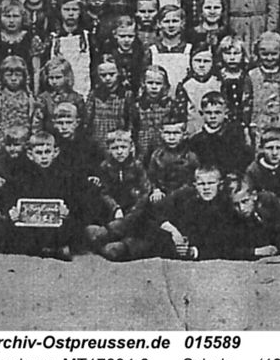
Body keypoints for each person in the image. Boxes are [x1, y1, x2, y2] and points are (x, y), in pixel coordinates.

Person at [0, 131, 76, 261]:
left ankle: (47, 248)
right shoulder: (22, 174)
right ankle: (45, 249)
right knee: (9, 227)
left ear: (55, 153)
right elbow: (10, 197)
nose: (43, 157)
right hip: (28, 227)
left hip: (53, 226)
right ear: (30, 155)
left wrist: (67, 211)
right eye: (39, 153)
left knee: (71, 227)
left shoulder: (63, 175)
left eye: (47, 152)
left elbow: (72, 199)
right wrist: (12, 212)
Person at [84, 130, 153, 259]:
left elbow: (145, 192)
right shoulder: (105, 167)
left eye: (123, 147)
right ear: (109, 149)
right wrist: (115, 208)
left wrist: (132, 212)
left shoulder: (137, 167)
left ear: (131, 148)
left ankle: (116, 242)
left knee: (135, 225)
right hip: (113, 212)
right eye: (115, 148)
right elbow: (104, 192)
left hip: (133, 213)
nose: (120, 152)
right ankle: (106, 240)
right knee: (92, 230)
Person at [248, 31, 280, 145]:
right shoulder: (252, 75)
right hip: (258, 125)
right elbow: (247, 103)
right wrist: (247, 128)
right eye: (265, 54)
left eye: (274, 54)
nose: (269, 58)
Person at [187, 90, 252, 174]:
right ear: (201, 113)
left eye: (217, 113)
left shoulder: (234, 136)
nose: (213, 117)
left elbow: (243, 162)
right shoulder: (197, 140)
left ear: (226, 113)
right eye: (208, 113)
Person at [47, 0, 94, 99]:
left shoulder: (88, 37)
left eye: (74, 10)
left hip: (83, 85)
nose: (71, 13)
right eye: (66, 10)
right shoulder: (53, 37)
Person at [85, 56, 135, 152]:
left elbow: (131, 120)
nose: (108, 78)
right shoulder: (94, 94)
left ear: (119, 73)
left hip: (118, 142)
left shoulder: (126, 94)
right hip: (98, 140)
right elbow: (87, 119)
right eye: (103, 75)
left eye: (112, 74)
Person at [146, 113, 199, 201]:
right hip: (162, 197)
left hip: (185, 197)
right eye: (167, 133)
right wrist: (156, 189)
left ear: (184, 135)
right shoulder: (157, 156)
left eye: (176, 133)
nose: (171, 137)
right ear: (161, 134)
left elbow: (195, 180)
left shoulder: (190, 157)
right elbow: (151, 178)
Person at [174, 43, 223, 136]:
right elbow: (180, 115)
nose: (201, 65)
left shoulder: (219, 83)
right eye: (198, 61)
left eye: (206, 61)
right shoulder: (185, 86)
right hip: (193, 132)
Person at [144, 4, 191, 97]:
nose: (171, 25)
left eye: (175, 21)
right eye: (166, 21)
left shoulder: (189, 50)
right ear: (159, 23)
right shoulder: (152, 51)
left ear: (182, 23)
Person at [133, 65, 175, 164]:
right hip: (142, 149)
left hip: (163, 149)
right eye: (150, 83)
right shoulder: (137, 105)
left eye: (158, 83)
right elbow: (133, 128)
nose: (154, 87)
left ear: (164, 85)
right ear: (143, 84)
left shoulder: (169, 105)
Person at [216, 35, 253, 147]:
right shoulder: (218, 77)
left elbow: (248, 102)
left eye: (236, 53)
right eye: (227, 53)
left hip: (243, 125)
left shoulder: (247, 77)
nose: (232, 58)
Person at [100, 15, 144, 93]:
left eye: (130, 36)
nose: (126, 40)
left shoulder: (140, 54)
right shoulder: (109, 55)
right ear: (115, 35)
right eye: (122, 36)